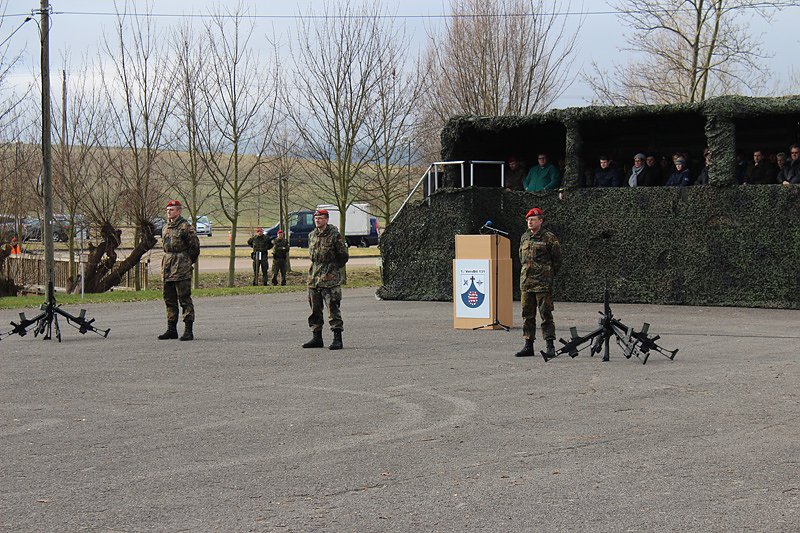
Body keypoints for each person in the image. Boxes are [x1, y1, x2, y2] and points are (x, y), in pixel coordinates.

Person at [515, 207, 562, 359]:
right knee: (527, 315)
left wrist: (547, 274)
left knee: (546, 314)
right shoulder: (524, 237)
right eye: (528, 220)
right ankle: (528, 345)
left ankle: (550, 345)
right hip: (526, 283)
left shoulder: (549, 237)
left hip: (543, 283)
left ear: (540, 221)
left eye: (533, 220)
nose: (530, 222)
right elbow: (521, 258)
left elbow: (557, 260)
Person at [302, 208, 349, 350]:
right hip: (314, 277)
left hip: (330, 277)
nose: (318, 220)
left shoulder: (334, 235)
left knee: (333, 308)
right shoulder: (312, 235)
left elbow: (343, 256)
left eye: (321, 218)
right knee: (315, 309)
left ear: (327, 219)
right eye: (316, 218)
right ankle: (317, 338)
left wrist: (333, 269)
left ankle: (337, 338)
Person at [159, 199, 200, 341]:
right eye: (168, 210)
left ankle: (188, 330)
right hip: (168, 266)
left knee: (184, 298)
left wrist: (187, 262)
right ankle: (171, 329)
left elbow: (194, 248)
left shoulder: (185, 227)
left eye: (172, 210)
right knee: (169, 298)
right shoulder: (165, 227)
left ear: (179, 211)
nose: (169, 212)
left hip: (181, 266)